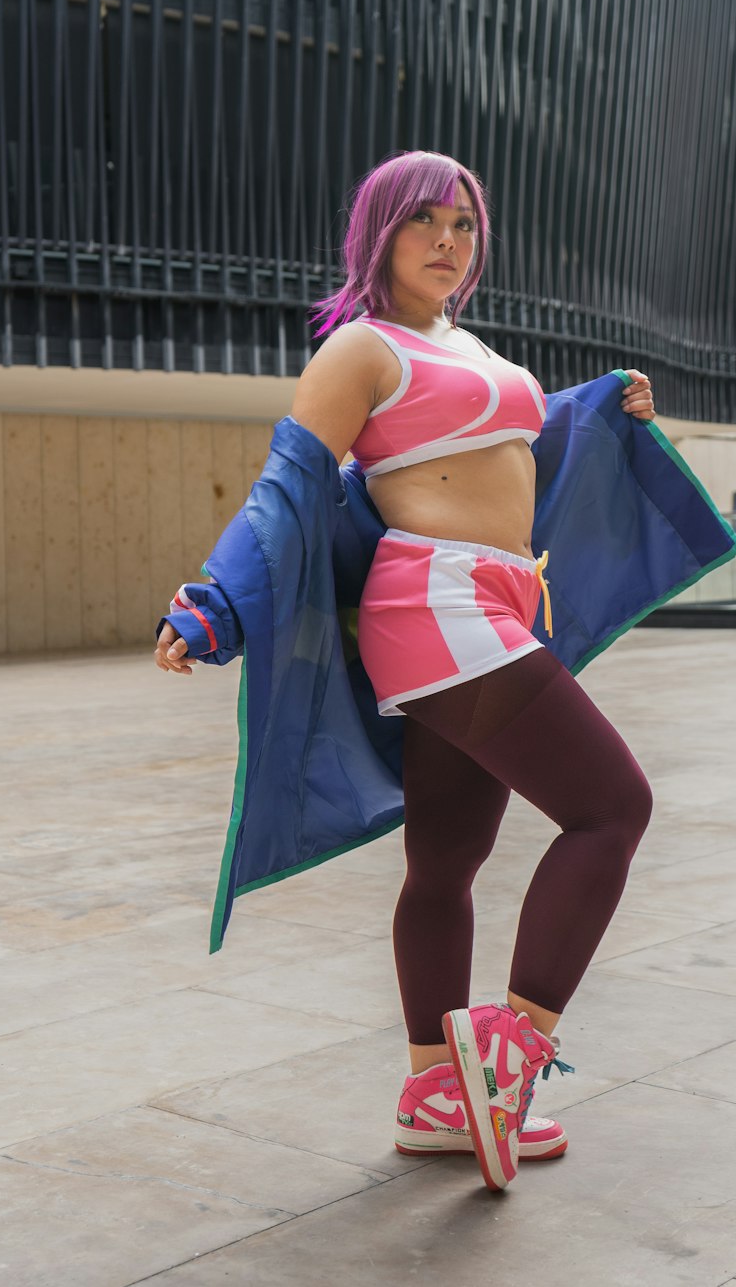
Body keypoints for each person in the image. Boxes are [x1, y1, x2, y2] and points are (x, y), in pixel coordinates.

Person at [155, 150, 657, 1193]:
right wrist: (214, 600)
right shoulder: (360, 348)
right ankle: (509, 1054)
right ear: (376, 232)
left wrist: (604, 404)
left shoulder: (462, 344)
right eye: (423, 220)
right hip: (437, 602)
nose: (446, 240)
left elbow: (499, 443)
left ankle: (436, 1090)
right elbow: (289, 486)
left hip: (498, 597)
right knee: (611, 806)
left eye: (464, 224)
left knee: (446, 863)